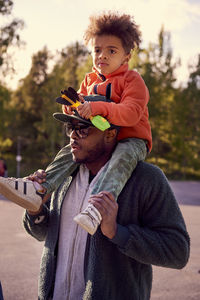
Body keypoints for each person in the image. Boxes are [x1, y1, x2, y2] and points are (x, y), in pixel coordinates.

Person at [0, 12, 152, 234]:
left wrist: (97, 108)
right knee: (67, 152)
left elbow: (130, 114)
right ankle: (39, 190)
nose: (103, 56)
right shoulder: (89, 80)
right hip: (97, 139)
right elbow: (76, 110)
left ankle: (96, 208)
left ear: (126, 57)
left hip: (130, 140)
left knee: (121, 160)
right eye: (97, 50)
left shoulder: (132, 80)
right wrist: (72, 106)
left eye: (112, 51)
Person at [23, 111, 190, 300]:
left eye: (83, 129)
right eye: (70, 128)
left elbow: (178, 252)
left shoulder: (146, 178)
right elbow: (43, 234)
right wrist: (34, 208)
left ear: (109, 134)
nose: (73, 135)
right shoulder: (64, 175)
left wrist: (116, 232)